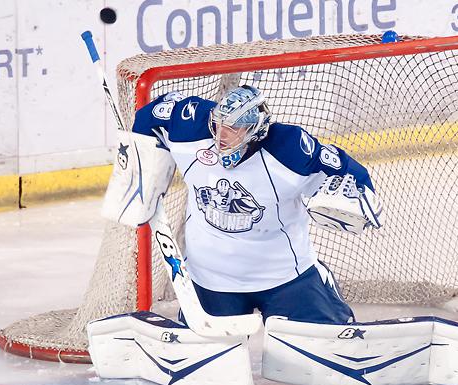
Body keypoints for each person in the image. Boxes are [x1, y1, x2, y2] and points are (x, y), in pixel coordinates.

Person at [130, 85, 382, 326]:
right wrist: (138, 170)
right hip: (210, 280)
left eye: (233, 128)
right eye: (218, 124)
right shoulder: (192, 126)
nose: (221, 136)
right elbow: (147, 117)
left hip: (286, 277)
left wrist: (359, 198)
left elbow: (348, 172)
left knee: (323, 345)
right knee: (206, 354)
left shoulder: (290, 149)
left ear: (255, 130)